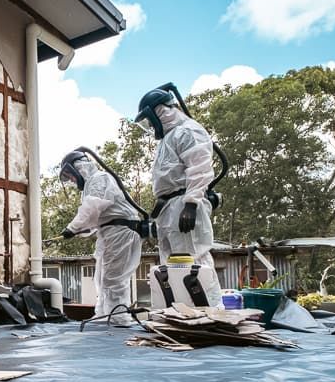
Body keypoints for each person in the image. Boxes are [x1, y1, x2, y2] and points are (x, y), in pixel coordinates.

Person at [136, 84, 223, 306]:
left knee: (194, 262)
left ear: (159, 112)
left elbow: (200, 168)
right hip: (170, 207)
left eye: (149, 121)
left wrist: (191, 203)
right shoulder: (170, 138)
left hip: (184, 203)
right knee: (172, 266)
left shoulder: (188, 131)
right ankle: (180, 314)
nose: (149, 127)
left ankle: (210, 314)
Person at [58, 150, 143, 325]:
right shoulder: (92, 183)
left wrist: (72, 228)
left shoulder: (99, 178)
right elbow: (94, 219)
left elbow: (92, 207)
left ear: (78, 168)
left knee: (114, 278)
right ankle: (104, 315)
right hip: (110, 232)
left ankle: (118, 318)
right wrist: (77, 231)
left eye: (70, 176)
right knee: (103, 278)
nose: (72, 181)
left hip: (120, 231)